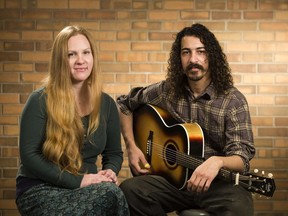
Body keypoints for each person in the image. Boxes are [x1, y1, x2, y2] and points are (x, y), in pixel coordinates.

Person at [117, 23, 255, 216]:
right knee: (131, 191)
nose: (193, 59)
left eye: (200, 51)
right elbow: (124, 104)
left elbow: (242, 157)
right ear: (178, 58)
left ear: (211, 56)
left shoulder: (233, 101)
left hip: (217, 185)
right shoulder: (168, 91)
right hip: (174, 183)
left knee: (239, 206)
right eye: (186, 53)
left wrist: (217, 162)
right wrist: (132, 147)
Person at [16, 25, 129, 216]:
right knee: (111, 195)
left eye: (86, 52)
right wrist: (78, 181)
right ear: (60, 60)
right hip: (39, 189)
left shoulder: (107, 104)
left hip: (87, 188)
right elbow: (29, 156)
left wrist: (110, 171)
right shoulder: (39, 100)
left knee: (112, 193)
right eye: (71, 54)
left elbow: (114, 153)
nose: (81, 60)